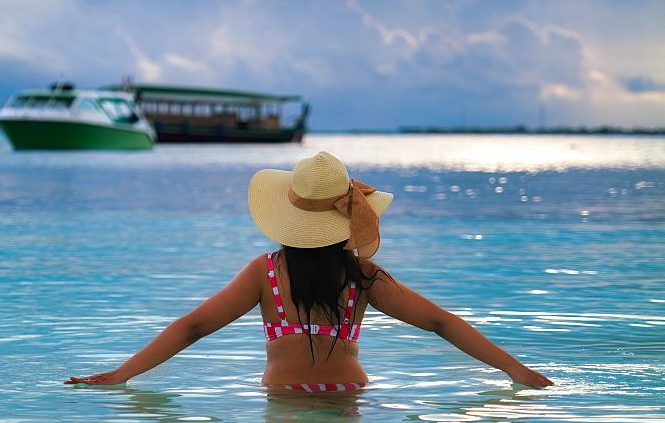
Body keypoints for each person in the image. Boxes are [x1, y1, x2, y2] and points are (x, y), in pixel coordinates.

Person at [65, 151, 553, 392]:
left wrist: (119, 376)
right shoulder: (364, 276)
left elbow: (193, 326)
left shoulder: (265, 273)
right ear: (346, 220)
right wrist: (517, 371)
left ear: (288, 219)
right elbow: (442, 323)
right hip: (350, 396)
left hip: (285, 400)